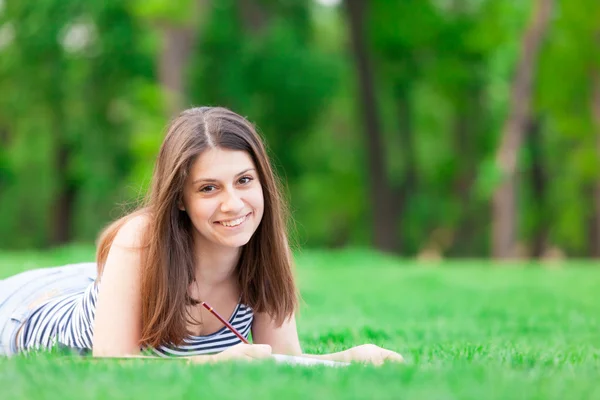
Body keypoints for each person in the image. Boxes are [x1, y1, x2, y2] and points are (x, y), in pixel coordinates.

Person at [0, 106, 404, 365]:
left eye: (244, 181)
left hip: (94, 282)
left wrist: (351, 357)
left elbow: (283, 361)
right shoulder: (140, 240)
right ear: (179, 199)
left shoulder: (260, 240)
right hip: (26, 312)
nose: (234, 204)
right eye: (209, 188)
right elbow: (114, 366)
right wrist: (214, 363)